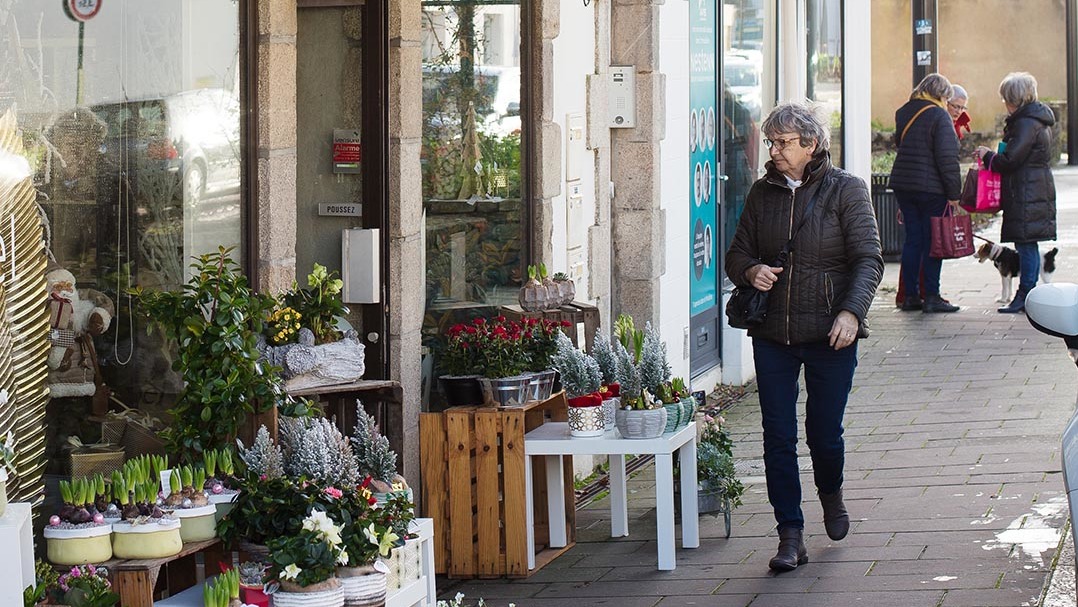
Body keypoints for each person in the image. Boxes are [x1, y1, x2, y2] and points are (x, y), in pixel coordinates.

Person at [725, 102, 883, 572]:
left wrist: (852, 313)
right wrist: (750, 271)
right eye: (771, 142)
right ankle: (789, 534)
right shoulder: (761, 194)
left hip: (829, 334)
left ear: (811, 145)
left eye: (783, 143)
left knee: (823, 434)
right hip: (772, 333)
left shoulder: (846, 191)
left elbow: (869, 259)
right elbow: (737, 254)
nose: (773, 151)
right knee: (777, 434)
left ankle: (830, 493)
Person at [975, 72, 1057, 313]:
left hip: (1027, 192)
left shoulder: (1025, 123)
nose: (1004, 103)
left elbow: (1011, 160)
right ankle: (1027, 296)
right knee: (1027, 243)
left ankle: (1025, 296)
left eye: (1005, 98)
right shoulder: (1035, 120)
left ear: (1014, 99)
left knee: (1026, 244)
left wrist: (988, 156)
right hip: (1031, 189)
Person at [889, 73, 962, 313]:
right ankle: (932, 296)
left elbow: (900, 143)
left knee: (913, 240)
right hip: (931, 188)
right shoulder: (939, 115)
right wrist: (954, 194)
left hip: (904, 184)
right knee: (934, 243)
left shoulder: (905, 111)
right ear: (941, 95)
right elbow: (947, 158)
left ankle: (910, 296)